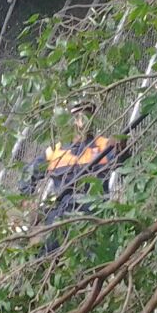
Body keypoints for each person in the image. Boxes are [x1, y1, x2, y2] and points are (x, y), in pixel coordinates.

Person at [24, 101, 117, 251]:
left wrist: (121, 145)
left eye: (88, 114)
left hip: (92, 216)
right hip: (60, 214)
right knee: (46, 253)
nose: (83, 119)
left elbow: (123, 160)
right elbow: (28, 174)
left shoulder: (105, 145)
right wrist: (28, 202)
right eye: (78, 115)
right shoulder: (56, 150)